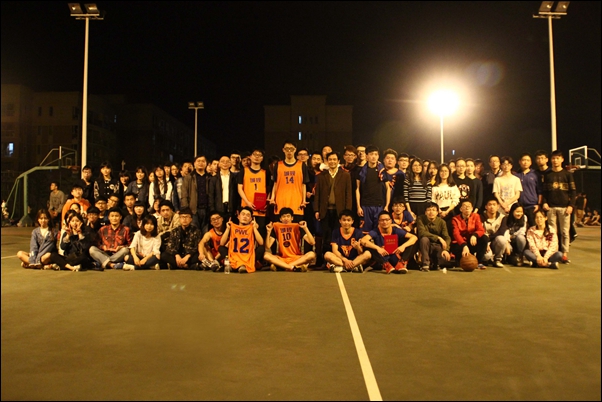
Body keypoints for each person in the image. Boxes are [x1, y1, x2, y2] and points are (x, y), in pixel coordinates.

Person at [313, 151, 352, 256]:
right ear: (327, 161)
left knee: (337, 235)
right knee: (326, 235)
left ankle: (337, 258)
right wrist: (316, 210)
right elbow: (318, 194)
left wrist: (347, 211)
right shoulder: (321, 176)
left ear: (338, 161)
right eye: (330, 159)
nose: (332, 161)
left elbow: (348, 194)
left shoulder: (345, 175)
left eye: (334, 159)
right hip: (325, 210)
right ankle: (325, 258)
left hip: (339, 211)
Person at [542, 150, 576, 264]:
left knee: (565, 232)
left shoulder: (568, 174)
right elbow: (544, 191)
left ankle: (565, 254)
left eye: (557, 158)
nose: (555, 160)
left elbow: (573, 192)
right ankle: (554, 253)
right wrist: (544, 202)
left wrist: (571, 205)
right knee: (553, 232)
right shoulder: (548, 175)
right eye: (553, 158)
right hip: (551, 208)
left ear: (562, 159)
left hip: (564, 208)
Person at [264, 207, 316, 272]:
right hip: (282, 258)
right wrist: (268, 232)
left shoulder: (297, 226)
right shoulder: (276, 227)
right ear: (280, 219)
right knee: (266, 255)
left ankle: (283, 266)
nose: (286, 218)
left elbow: (312, 242)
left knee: (312, 254)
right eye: (284, 216)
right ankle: (292, 267)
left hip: (296, 257)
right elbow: (267, 246)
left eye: (288, 216)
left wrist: (305, 228)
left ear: (292, 218)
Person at [269, 141, 310, 221]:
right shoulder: (278, 165)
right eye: (287, 149)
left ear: (295, 150)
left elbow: (303, 184)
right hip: (280, 203)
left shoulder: (302, 165)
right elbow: (275, 183)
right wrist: (272, 198)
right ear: (283, 150)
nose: (289, 151)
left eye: (291, 149)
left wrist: (304, 200)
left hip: (297, 203)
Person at [219, 207, 265, 273]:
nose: (245, 216)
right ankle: (232, 264)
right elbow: (222, 243)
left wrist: (254, 228)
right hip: (234, 255)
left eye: (248, 215)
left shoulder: (252, 228)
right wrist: (228, 229)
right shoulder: (232, 227)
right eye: (243, 214)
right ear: (238, 216)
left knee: (261, 249)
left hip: (247, 256)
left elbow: (261, 243)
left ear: (251, 219)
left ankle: (241, 265)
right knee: (221, 248)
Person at [238, 148, 271, 238]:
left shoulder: (265, 172)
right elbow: (240, 189)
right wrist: (247, 202)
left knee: (260, 235)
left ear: (262, 158)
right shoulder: (244, 171)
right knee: (245, 235)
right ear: (250, 156)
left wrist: (267, 202)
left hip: (261, 210)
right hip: (246, 208)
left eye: (259, 155)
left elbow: (269, 189)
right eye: (255, 155)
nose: (257, 157)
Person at [356, 145, 388, 232]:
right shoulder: (361, 171)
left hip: (379, 205)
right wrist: (358, 206)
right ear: (367, 156)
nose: (373, 156)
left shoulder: (382, 171)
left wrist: (387, 205)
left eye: (376, 154)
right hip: (365, 205)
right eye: (371, 154)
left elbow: (388, 188)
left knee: (379, 230)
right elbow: (357, 189)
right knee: (365, 231)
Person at [451, 200, 488, 269]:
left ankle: (479, 262)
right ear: (461, 209)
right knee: (461, 261)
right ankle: (459, 261)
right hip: (460, 243)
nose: (467, 208)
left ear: (472, 209)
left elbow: (481, 230)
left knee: (484, 238)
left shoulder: (476, 216)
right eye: (465, 206)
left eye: (469, 206)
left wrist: (475, 235)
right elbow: (456, 234)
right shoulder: (455, 219)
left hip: (472, 241)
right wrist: (464, 245)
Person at [416, 202, 452, 271]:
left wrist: (446, 250)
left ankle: (436, 264)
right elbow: (422, 233)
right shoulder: (420, 219)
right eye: (429, 210)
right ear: (425, 212)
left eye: (433, 210)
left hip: (437, 246)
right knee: (424, 239)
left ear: (437, 212)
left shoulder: (442, 222)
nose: (431, 212)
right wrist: (438, 238)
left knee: (444, 259)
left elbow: (447, 237)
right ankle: (425, 264)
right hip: (425, 246)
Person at [181, 155, 210, 232]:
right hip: (193, 210)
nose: (201, 163)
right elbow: (184, 194)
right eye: (198, 161)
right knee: (194, 232)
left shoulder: (209, 177)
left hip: (207, 209)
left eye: (203, 161)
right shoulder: (189, 177)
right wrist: (186, 210)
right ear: (194, 163)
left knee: (206, 232)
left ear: (206, 163)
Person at [514, 153, 542, 227]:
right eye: (523, 160)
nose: (525, 162)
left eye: (528, 160)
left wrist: (538, 204)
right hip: (520, 207)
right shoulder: (516, 176)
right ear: (520, 162)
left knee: (533, 227)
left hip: (532, 206)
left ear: (531, 162)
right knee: (521, 227)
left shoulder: (535, 174)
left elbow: (539, 191)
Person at [480, 198, 510, 268]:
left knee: (502, 239)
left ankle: (497, 260)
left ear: (498, 206)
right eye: (490, 205)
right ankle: (488, 259)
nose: (492, 207)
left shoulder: (503, 217)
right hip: (484, 242)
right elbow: (480, 231)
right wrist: (486, 242)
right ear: (486, 207)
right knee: (487, 256)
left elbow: (501, 232)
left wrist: (489, 240)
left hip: (495, 241)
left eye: (494, 205)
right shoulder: (480, 217)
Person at [209, 155, 239, 222]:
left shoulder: (234, 178)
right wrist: (212, 210)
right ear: (219, 164)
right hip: (218, 209)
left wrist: (237, 208)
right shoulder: (213, 179)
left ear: (230, 164)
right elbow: (211, 196)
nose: (225, 163)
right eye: (222, 161)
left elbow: (237, 194)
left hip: (231, 208)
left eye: (227, 162)